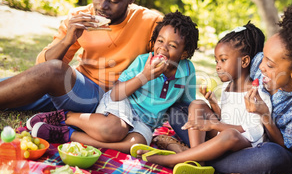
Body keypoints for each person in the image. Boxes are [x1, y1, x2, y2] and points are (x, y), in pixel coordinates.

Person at [164, 6, 292, 174]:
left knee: (274, 157)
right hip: (233, 139)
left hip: (262, 151)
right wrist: (214, 103)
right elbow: (234, 78)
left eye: (270, 64)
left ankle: (194, 156)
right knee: (179, 110)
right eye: (263, 57)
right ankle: (205, 157)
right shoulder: (259, 61)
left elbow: (285, 146)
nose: (260, 65)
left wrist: (264, 114)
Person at [27, 11, 199, 154]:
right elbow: (116, 93)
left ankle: (66, 134)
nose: (163, 48)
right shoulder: (143, 62)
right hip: (122, 104)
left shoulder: (187, 71)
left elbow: (187, 104)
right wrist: (145, 76)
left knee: (136, 147)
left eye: (172, 46)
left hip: (145, 122)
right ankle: (66, 116)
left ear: (184, 54)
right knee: (115, 130)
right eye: (160, 41)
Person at [0, 0, 162, 113]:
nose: (101, 6)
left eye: (113, 0)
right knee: (15, 85)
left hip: (112, 98)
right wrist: (67, 40)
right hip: (78, 87)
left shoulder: (149, 21)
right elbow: (40, 68)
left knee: (52, 71)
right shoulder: (79, 17)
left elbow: (170, 60)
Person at [132, 22, 271, 167]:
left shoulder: (256, 93)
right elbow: (226, 117)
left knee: (230, 134)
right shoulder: (227, 87)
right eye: (216, 61)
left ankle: (170, 160)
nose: (218, 66)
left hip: (244, 144)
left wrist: (214, 124)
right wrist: (213, 104)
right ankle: (196, 156)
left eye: (223, 60)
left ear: (244, 61)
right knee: (197, 104)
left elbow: (252, 131)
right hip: (221, 137)